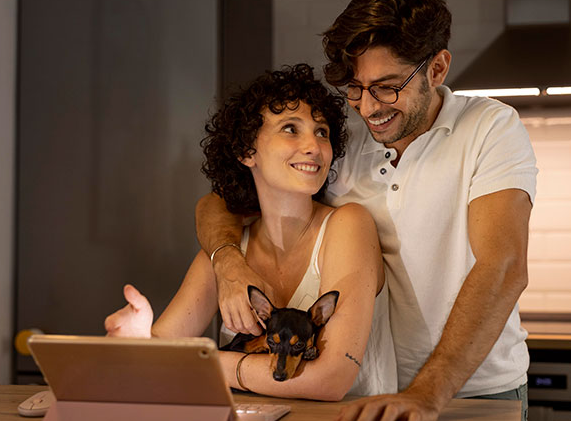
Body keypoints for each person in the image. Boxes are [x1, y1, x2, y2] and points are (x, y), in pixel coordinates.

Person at [195, 0, 537, 421]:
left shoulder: (490, 128)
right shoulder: (348, 142)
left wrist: (425, 395)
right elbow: (220, 200)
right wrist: (227, 262)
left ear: (436, 69)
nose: (369, 107)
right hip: (365, 393)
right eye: (355, 89)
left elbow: (503, 266)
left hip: (471, 394)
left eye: (387, 86)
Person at [104, 63, 397, 400]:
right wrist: (134, 346)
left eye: (322, 132)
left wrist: (197, 363)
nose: (314, 146)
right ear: (246, 151)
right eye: (290, 128)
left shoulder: (348, 225)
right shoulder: (223, 254)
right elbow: (156, 358)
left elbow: (329, 380)